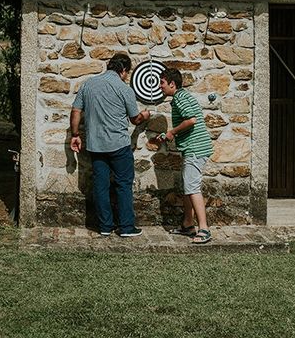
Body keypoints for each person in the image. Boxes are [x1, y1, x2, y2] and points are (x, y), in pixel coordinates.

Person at [70, 53, 150, 237]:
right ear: (123, 71)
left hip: (96, 145)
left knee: (100, 185)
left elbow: (76, 110)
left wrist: (75, 134)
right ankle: (126, 227)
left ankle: (105, 226)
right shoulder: (124, 89)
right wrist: (145, 116)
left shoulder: (88, 84)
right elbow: (135, 119)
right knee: (123, 184)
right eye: (127, 73)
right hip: (119, 145)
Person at [158, 68, 213, 244]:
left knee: (192, 187)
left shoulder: (180, 98)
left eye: (162, 83)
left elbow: (191, 120)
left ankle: (204, 229)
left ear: (172, 84)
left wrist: (172, 132)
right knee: (188, 186)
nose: (160, 86)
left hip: (195, 148)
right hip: (194, 148)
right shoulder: (182, 96)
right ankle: (188, 224)